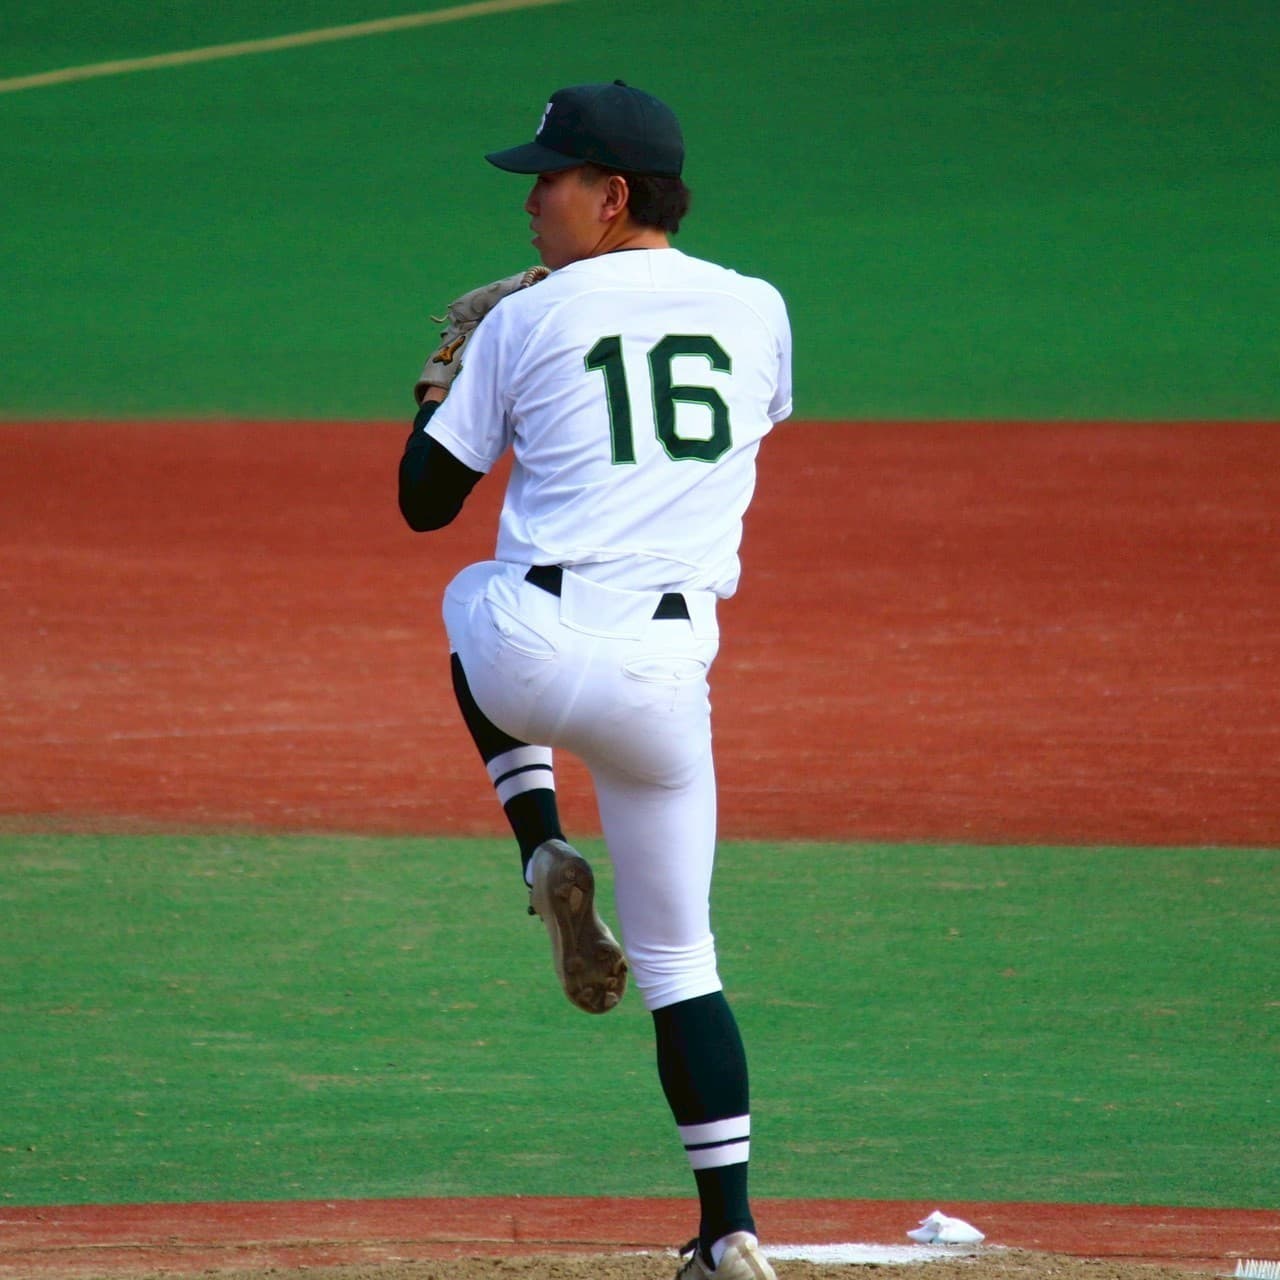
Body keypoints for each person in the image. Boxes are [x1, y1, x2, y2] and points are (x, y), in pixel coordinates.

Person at [397, 80, 792, 1280]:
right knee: (684, 964)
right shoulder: (758, 307)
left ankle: (538, 847)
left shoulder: (527, 317)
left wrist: (440, 382)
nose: (529, 202)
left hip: (532, 647)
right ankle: (729, 1229)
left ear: (611, 195)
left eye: (548, 178)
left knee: (465, 590)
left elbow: (422, 501)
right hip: (667, 682)